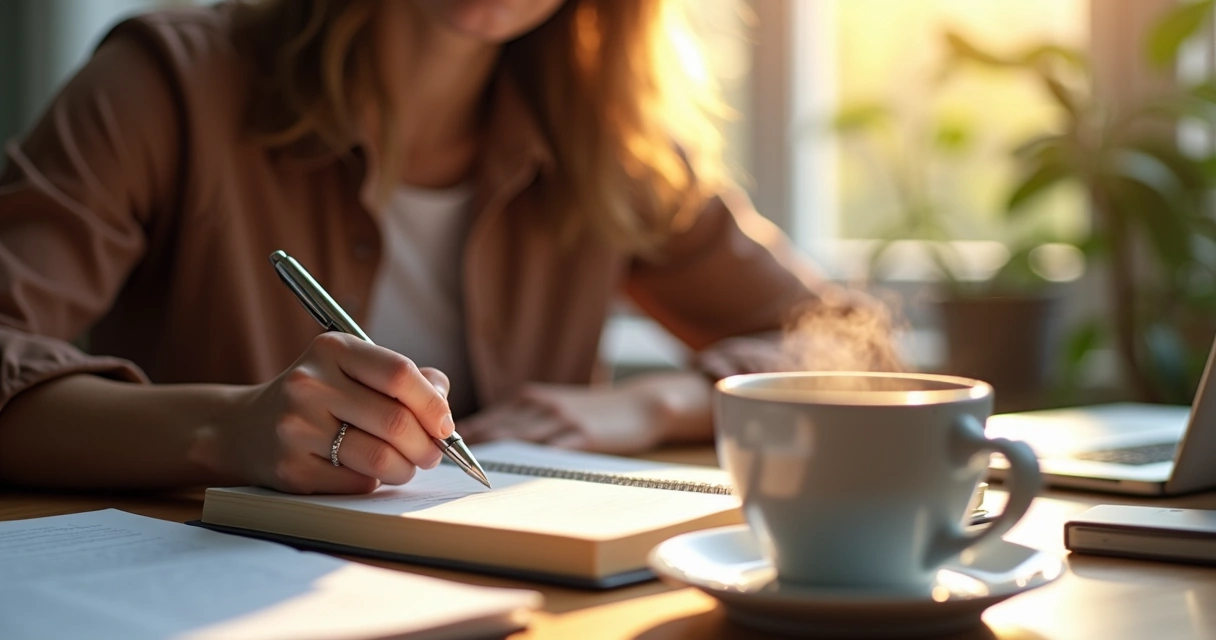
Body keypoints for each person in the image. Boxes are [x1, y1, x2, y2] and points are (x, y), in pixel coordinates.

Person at [0, 0, 881, 495]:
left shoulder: (610, 141)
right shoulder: (166, 83)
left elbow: (852, 344)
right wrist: (219, 429)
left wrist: (654, 407)